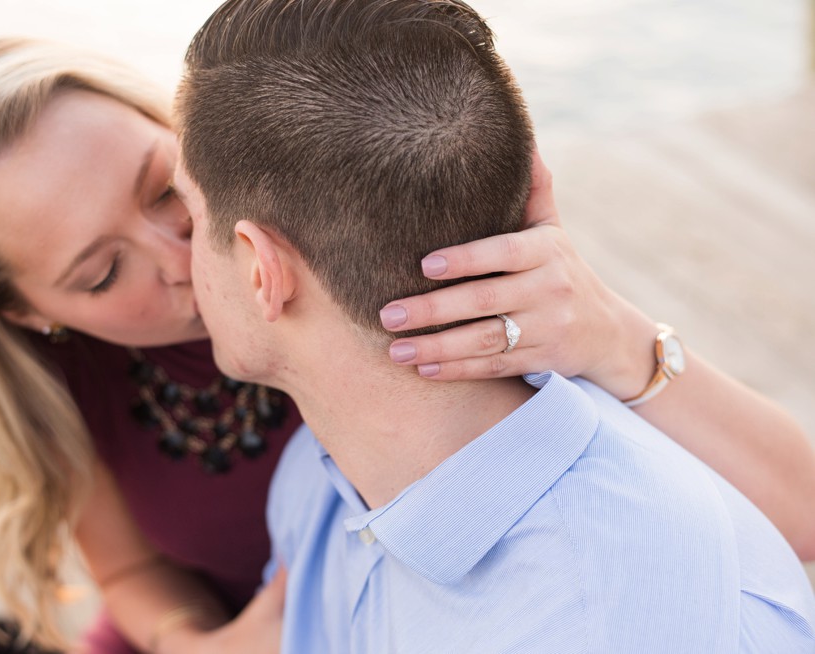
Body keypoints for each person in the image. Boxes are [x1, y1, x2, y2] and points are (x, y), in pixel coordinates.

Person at [0, 30, 814, 654]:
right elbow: (124, 567)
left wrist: (614, 335)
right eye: (99, 274)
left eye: (167, 190)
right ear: (28, 312)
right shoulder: (57, 382)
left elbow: (795, 519)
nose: (174, 257)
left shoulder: (382, 251)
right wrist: (195, 640)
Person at [174, 0, 815, 651]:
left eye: (189, 216)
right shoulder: (318, 484)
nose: (178, 259)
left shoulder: (643, 624)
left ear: (261, 269)